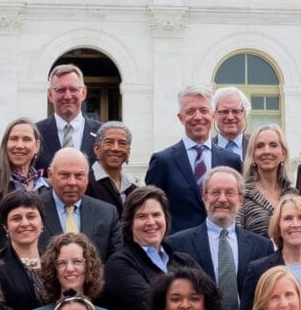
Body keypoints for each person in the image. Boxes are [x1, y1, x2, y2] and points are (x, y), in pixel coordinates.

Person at [168, 165, 276, 310]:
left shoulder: (262, 246)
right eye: (215, 192)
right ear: (204, 198)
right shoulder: (178, 244)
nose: (222, 199)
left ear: (241, 199)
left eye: (229, 193)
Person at [145, 86, 235, 232]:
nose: (198, 117)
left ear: (213, 116)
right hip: (178, 249)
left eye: (204, 111)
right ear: (180, 118)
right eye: (190, 111)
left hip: (222, 244)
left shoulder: (231, 161)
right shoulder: (162, 161)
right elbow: (152, 209)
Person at [100, 185, 180, 310]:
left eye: (156, 214)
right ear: (129, 223)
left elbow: (209, 299)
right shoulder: (119, 264)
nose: (151, 222)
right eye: (142, 216)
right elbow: (151, 306)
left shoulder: (183, 260)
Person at [27, 231, 125, 310]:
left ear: (89, 265)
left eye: (77, 261)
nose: (70, 269)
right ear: (53, 269)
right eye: (62, 263)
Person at [38, 146, 121, 249]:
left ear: (87, 177)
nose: (72, 182)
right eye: (64, 175)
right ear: (51, 175)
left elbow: (115, 259)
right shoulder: (33, 209)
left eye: (79, 175)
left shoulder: (107, 214)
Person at [0, 119, 46, 222]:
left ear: (36, 146)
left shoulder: (47, 187)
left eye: (26, 139)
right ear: (5, 144)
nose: (19, 145)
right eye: (14, 139)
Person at [0, 190, 49, 310]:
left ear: (42, 223)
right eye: (16, 218)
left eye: (31, 216)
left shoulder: (55, 262)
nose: (25, 223)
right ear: (6, 227)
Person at [238, 122, 296, 237]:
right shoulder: (241, 195)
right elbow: (237, 239)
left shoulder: (294, 194)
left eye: (273, 145)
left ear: (283, 154)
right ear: (252, 155)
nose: (266, 151)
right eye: (259, 146)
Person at [34, 63, 96, 163]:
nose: (67, 96)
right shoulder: (35, 133)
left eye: (73, 89)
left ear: (83, 92)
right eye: (60, 90)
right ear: (50, 94)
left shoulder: (101, 133)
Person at [87, 122, 138, 204]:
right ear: (97, 149)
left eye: (122, 143)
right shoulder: (85, 182)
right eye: (109, 142)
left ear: (128, 152)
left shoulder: (133, 186)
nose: (115, 148)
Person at [212, 86, 251, 157]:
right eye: (224, 111)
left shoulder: (256, 145)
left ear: (244, 114)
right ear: (214, 115)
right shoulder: (205, 148)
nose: (230, 117)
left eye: (236, 111)